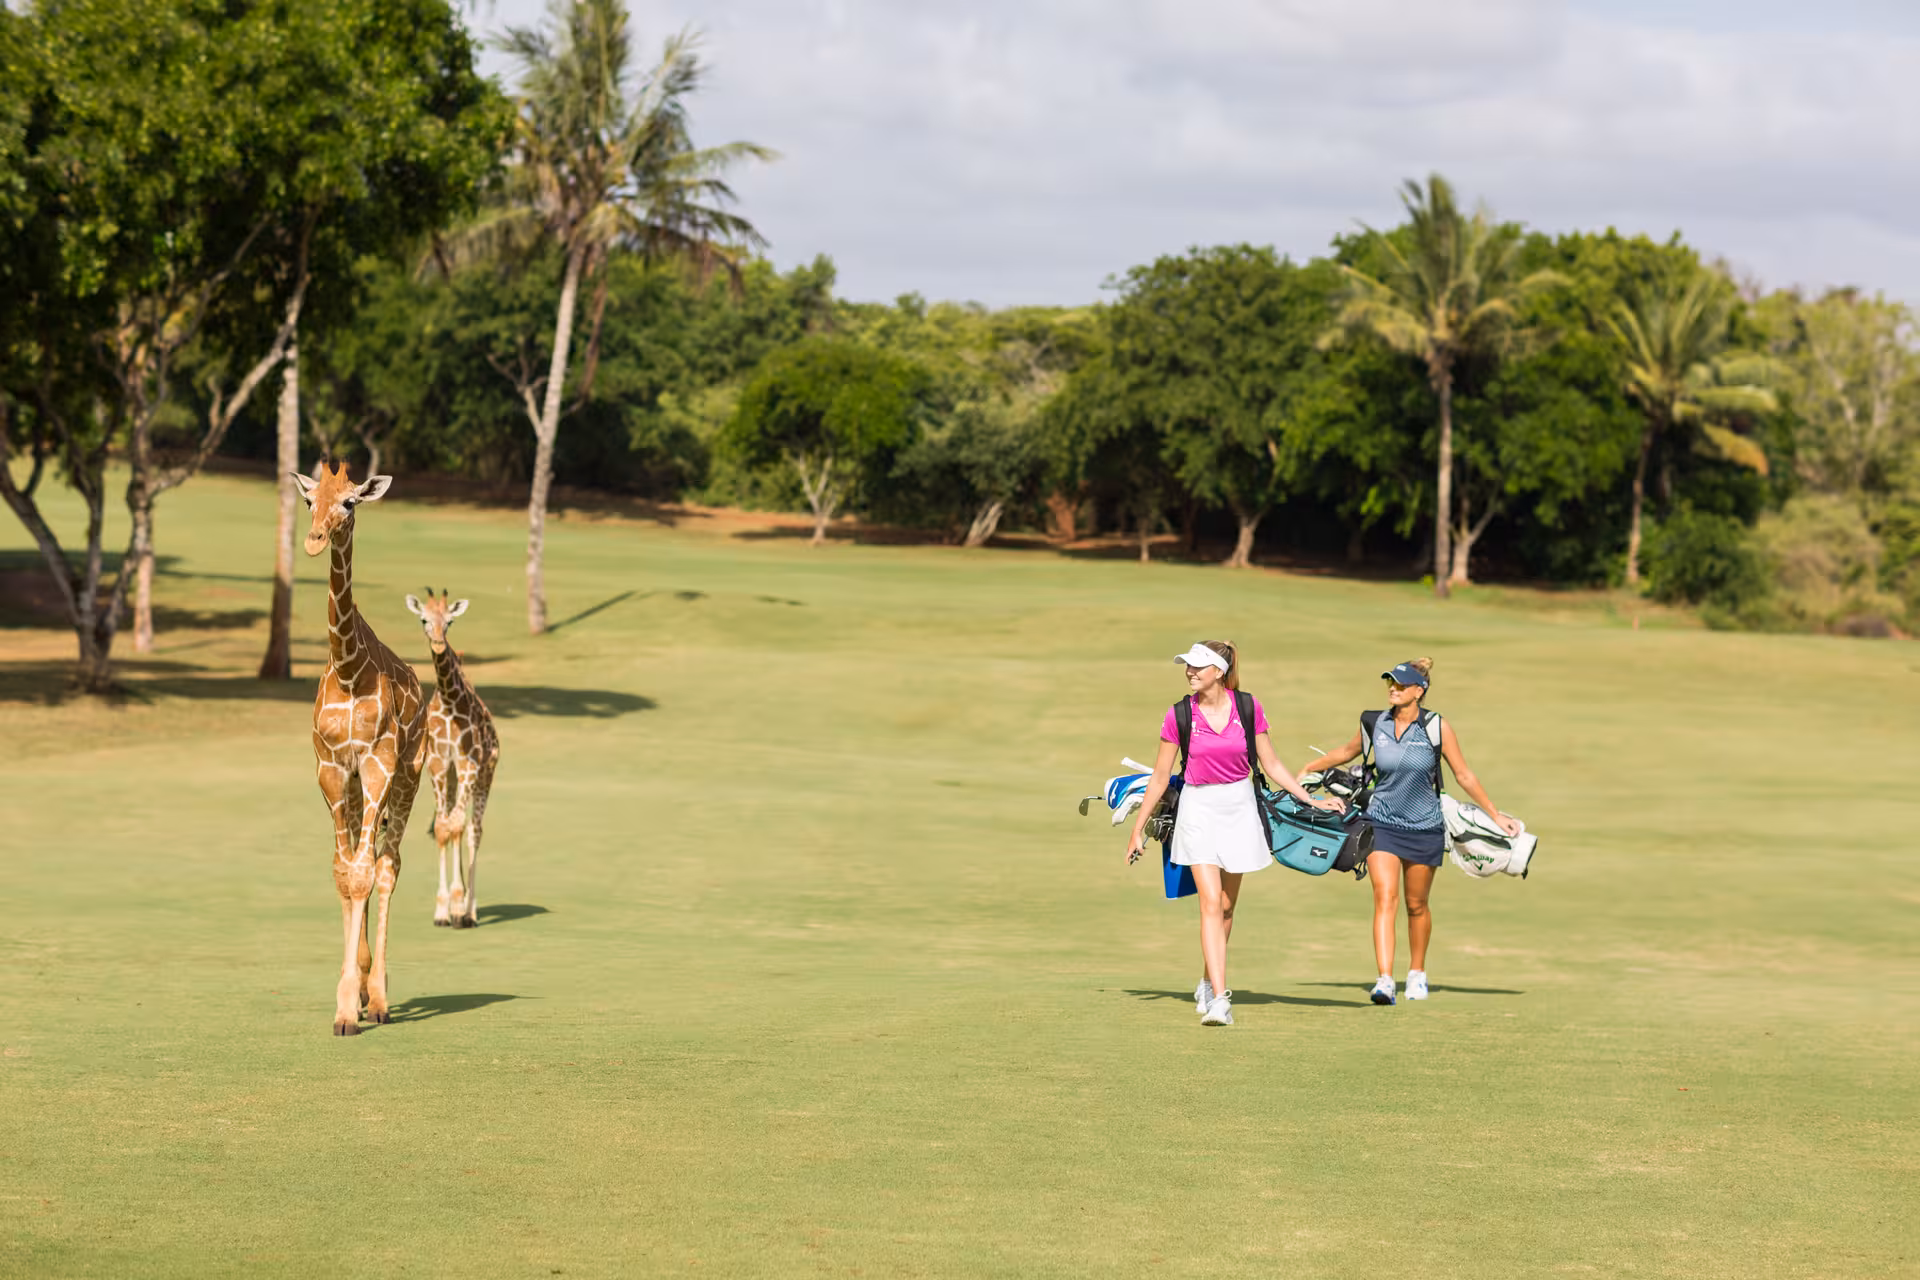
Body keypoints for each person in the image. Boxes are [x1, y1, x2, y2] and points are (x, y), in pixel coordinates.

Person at [1125, 641, 1342, 1027]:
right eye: (1187, 666)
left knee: (1226, 908)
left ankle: (1208, 979)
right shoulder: (1178, 715)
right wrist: (1138, 829)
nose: (1190, 672)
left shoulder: (1248, 707)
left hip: (1240, 808)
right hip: (1198, 810)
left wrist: (1310, 800)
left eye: (1197, 666)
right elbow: (1160, 776)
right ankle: (1221, 1000)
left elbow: (1271, 762)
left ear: (1219, 671)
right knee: (1209, 903)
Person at [1298, 658, 1519, 1006]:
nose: (1393, 689)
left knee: (1417, 905)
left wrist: (1495, 816)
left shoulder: (1436, 727)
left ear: (1420, 691)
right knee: (1385, 897)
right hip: (1381, 822)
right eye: (1391, 683)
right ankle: (1384, 980)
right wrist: (1309, 768)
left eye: (1401, 685)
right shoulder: (1374, 722)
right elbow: (1347, 751)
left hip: (1424, 826)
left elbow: (1463, 774)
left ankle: (1417, 973)